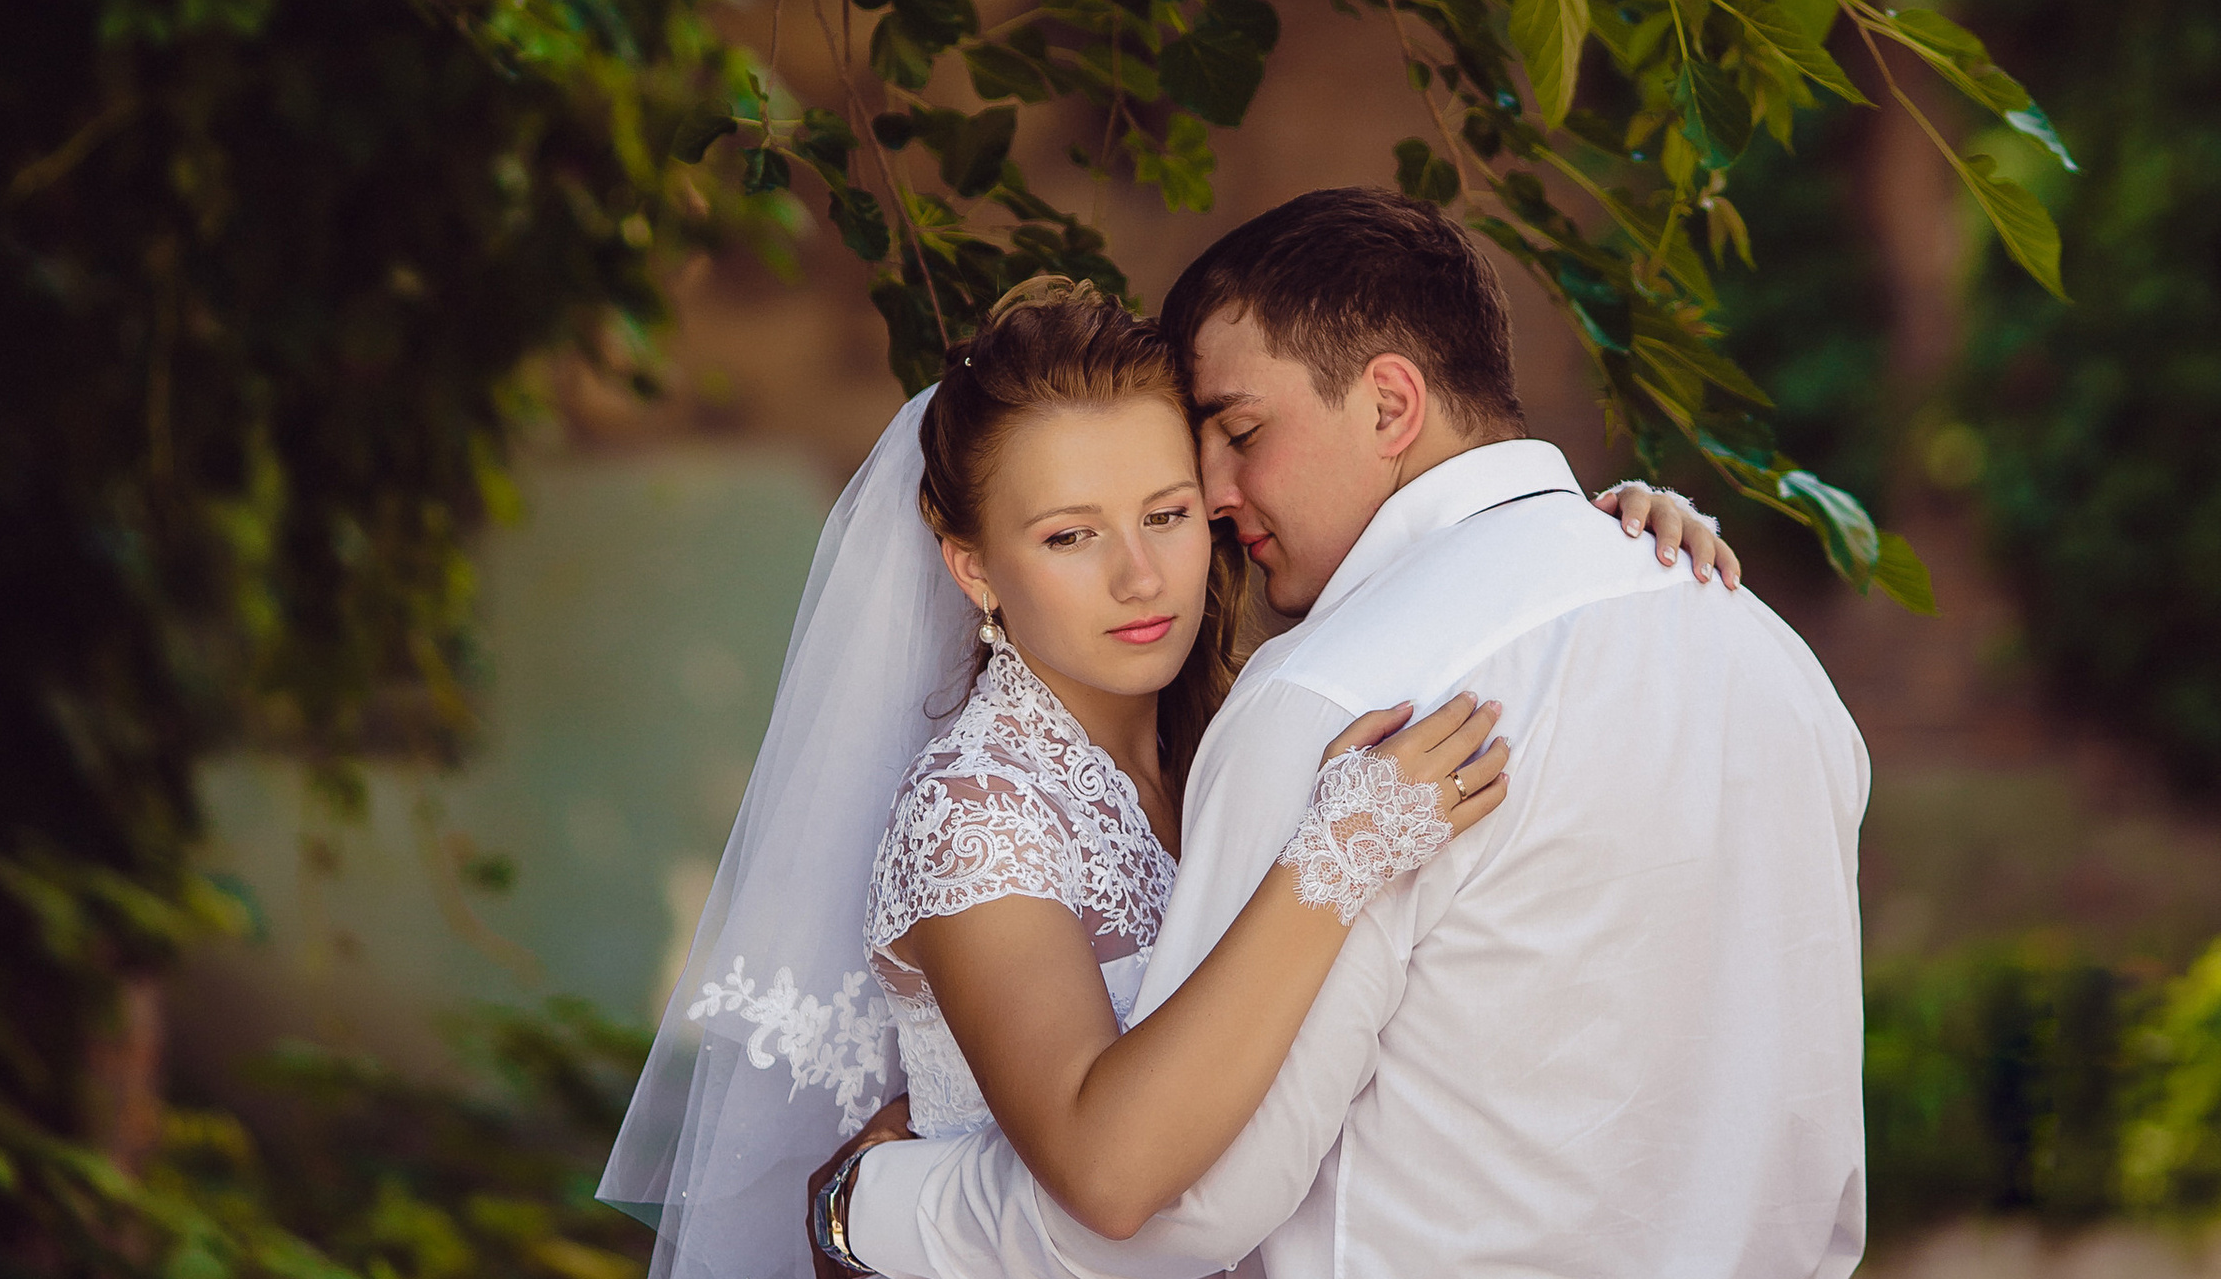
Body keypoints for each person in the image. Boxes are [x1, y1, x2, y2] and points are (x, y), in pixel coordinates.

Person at [600, 253, 1735, 1279]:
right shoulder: (978, 811)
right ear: (972, 566)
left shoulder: (1238, 725)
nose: (1140, 576)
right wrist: (1336, 857)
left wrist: (1587, 541)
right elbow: (1105, 1174)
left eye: (1166, 511)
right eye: (1068, 535)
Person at [828, 188, 1871, 1279]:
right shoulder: (1761, 648)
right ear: (976, 565)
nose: (1215, 501)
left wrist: (869, 1206)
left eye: (1221, 451)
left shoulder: (1329, 699)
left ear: (1388, 405)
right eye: (1071, 533)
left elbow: (1174, 1205)